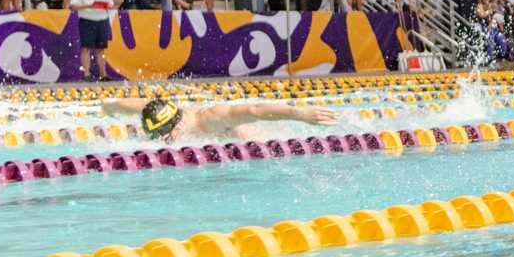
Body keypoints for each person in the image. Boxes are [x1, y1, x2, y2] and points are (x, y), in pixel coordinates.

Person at [103, 96, 340, 143]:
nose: (163, 141)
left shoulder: (208, 119)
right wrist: (108, 106)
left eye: (163, 136)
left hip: (259, 145)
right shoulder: (160, 111)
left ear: (176, 124)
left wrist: (300, 114)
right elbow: (127, 104)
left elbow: (254, 110)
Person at [69, 0, 121, 81]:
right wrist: (89, 5)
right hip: (87, 20)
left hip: (102, 19)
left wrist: (117, 3)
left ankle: (103, 75)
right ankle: (86, 75)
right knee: (86, 48)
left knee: (101, 49)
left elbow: (110, 5)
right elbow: (73, 6)